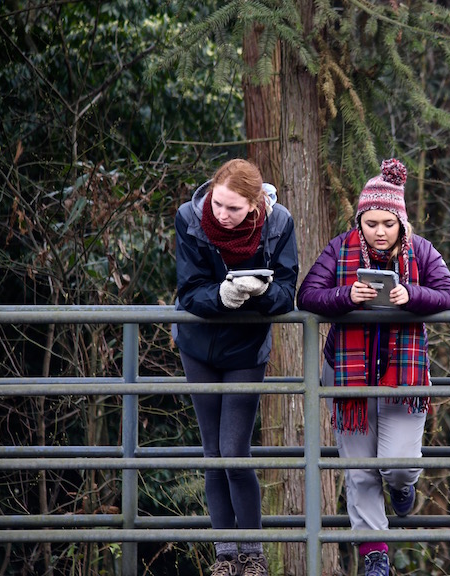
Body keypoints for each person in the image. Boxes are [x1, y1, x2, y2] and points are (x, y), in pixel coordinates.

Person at [297, 158, 450, 576]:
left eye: (387, 223)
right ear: (360, 220)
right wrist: (347, 295)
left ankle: (403, 486)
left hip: (402, 377)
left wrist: (414, 296)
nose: (379, 231)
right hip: (347, 373)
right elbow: (308, 296)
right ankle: (375, 552)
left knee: (398, 463)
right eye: (370, 223)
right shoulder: (339, 248)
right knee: (359, 469)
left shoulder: (420, 250)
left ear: (401, 221)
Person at [173, 159, 298, 576]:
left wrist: (257, 293)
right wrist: (222, 295)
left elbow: (286, 290)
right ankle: (225, 555)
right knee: (213, 454)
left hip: (246, 347)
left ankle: (253, 553)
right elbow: (189, 290)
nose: (222, 215)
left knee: (234, 452)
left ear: (255, 203)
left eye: (233, 208)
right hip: (198, 345)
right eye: (218, 204)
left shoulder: (279, 223)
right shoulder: (190, 218)